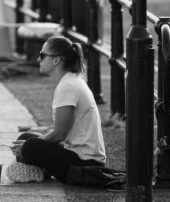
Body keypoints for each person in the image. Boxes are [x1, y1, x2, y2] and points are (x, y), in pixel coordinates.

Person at [8, 35, 106, 183]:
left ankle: (39, 171)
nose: (38, 59)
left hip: (85, 162)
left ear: (56, 60)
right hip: (78, 154)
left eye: (42, 55)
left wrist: (30, 146)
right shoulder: (70, 81)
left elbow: (59, 134)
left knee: (29, 145)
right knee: (25, 138)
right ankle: (41, 170)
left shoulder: (68, 86)